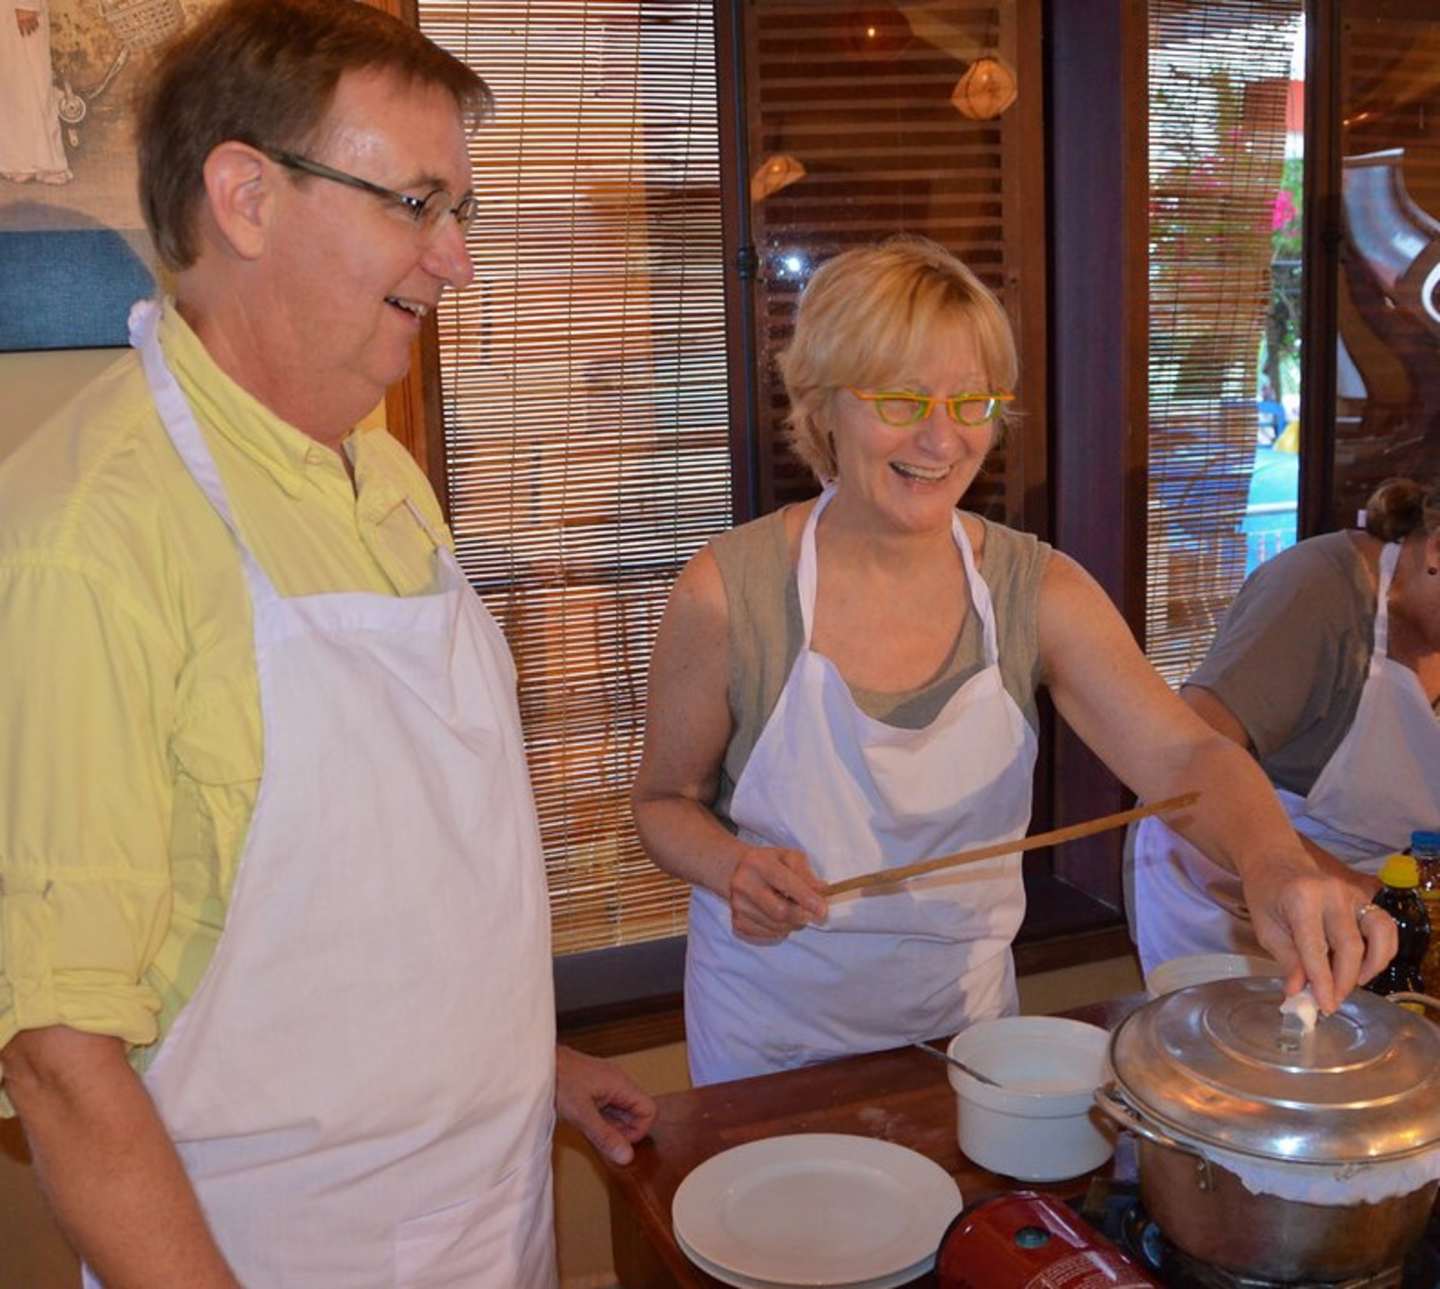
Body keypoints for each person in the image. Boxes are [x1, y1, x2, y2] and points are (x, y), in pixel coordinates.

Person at [0, 2, 653, 1285]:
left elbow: (404, 882)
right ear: (244, 197)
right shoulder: (86, 542)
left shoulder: (376, 465)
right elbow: (58, 1058)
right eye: (416, 203)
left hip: (486, 1212)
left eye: (460, 210)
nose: (455, 260)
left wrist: (527, 1064)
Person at [631, 237, 1396, 1087]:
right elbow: (664, 803)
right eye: (901, 398)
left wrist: (1276, 863)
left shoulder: (1037, 590)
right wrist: (732, 865)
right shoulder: (727, 592)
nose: (942, 437)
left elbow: (1186, 756)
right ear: (822, 402)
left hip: (967, 1041)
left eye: (973, 400)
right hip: (769, 1044)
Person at [1130, 477, 1440, 973]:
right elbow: (1179, 771)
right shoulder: (1316, 593)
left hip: (1377, 906)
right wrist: (1351, 889)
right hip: (1233, 899)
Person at [0, 0, 71, 185]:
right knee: (11, 85)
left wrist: (27, 5)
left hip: (18, 7)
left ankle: (47, 163)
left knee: (34, 79)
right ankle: (19, 163)